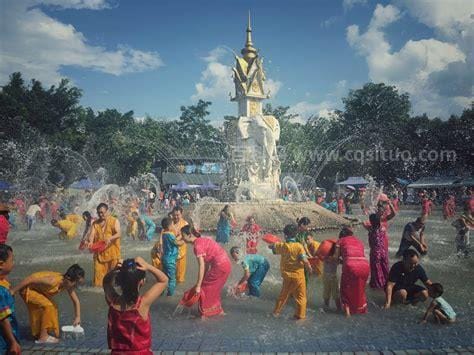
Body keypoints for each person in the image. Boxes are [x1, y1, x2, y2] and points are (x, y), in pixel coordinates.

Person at [104, 257, 168, 355]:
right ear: (141, 282)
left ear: (120, 281)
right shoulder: (142, 304)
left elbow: (106, 282)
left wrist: (114, 270)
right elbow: (164, 280)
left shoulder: (113, 302)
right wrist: (148, 266)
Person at [12, 264, 84, 343]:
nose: (76, 286)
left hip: (37, 290)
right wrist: (13, 290)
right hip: (26, 290)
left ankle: (41, 332)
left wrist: (78, 317)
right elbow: (31, 279)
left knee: (53, 306)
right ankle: (43, 337)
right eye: (76, 283)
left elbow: (76, 301)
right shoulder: (51, 281)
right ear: (68, 278)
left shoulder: (67, 284)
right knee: (48, 306)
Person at [181, 225, 231, 318]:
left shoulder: (197, 246)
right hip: (226, 264)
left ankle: (204, 315)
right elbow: (207, 263)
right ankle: (219, 311)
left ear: (189, 235)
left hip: (219, 266)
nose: (182, 238)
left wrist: (198, 286)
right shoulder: (203, 240)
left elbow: (202, 266)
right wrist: (202, 280)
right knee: (214, 289)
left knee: (203, 289)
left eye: (182, 235)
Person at [270, 224, 313, 320]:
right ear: (296, 234)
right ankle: (300, 317)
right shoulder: (299, 246)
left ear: (285, 235)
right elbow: (304, 259)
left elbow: (272, 247)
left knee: (283, 295)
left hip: (286, 276)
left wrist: (272, 244)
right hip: (298, 276)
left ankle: (276, 313)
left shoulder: (282, 246)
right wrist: (309, 268)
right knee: (301, 297)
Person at [333, 227, 370, 317]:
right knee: (360, 291)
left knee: (345, 290)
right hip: (365, 266)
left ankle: (347, 315)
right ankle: (362, 312)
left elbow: (335, 257)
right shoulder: (358, 241)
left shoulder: (340, 241)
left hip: (350, 267)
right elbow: (358, 256)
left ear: (341, 235)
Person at [87, 203, 121, 287]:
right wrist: (90, 242)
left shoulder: (114, 221)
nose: (100, 214)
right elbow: (92, 235)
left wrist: (110, 238)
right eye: (99, 213)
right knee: (98, 283)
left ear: (107, 211)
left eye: (102, 212)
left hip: (113, 255)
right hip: (99, 255)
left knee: (113, 281)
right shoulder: (95, 223)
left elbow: (119, 234)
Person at [0, 245, 20, 354]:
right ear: (1, 264)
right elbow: (3, 319)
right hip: (5, 337)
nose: (13, 263)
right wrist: (12, 341)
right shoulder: (1, 291)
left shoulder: (3, 283)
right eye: (11, 260)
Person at [160, 217, 183, 296]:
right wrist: (183, 240)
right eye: (173, 224)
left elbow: (173, 240)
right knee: (172, 279)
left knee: (164, 276)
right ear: (169, 226)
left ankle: (161, 291)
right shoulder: (170, 235)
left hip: (165, 258)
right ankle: (170, 294)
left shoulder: (164, 234)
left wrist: (179, 236)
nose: (174, 226)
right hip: (170, 260)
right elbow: (176, 243)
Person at [367, 213, 389, 289]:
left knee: (376, 270)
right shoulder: (383, 228)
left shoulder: (371, 229)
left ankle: (377, 285)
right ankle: (386, 283)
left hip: (375, 253)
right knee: (384, 268)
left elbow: (364, 224)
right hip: (383, 252)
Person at [169, 206, 188, 284]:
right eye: (174, 215)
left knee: (180, 277)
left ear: (181, 214)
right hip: (170, 251)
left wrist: (175, 240)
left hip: (180, 252)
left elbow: (183, 237)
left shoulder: (185, 224)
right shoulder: (170, 222)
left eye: (178, 215)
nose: (176, 217)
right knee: (169, 275)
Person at [322, 243, 341, 311]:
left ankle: (326, 308)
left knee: (326, 293)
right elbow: (337, 260)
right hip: (332, 277)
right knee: (336, 295)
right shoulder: (334, 258)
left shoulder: (325, 257)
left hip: (325, 276)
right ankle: (339, 309)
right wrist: (338, 248)